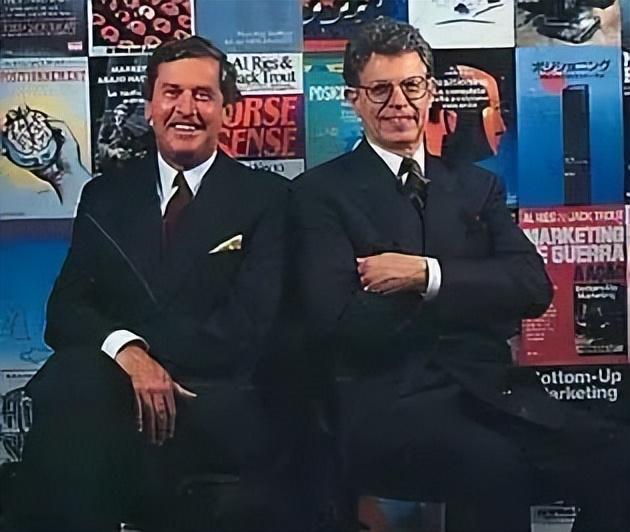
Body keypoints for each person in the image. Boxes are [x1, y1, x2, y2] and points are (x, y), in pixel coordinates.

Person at [291, 17, 630, 532]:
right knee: (495, 466)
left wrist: (424, 276)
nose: (399, 102)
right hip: (387, 401)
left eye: (411, 86)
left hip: (487, 390)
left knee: (614, 454)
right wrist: (477, 291)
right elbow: (338, 319)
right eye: (380, 90)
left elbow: (532, 287)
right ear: (353, 100)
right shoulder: (319, 194)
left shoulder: (476, 187)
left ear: (430, 92)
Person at [7, 36, 308, 532]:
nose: (185, 108)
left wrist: (148, 360)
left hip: (210, 399)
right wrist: (129, 353)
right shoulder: (105, 196)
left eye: (202, 95)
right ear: (149, 107)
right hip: (113, 395)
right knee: (74, 384)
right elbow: (65, 311)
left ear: (227, 111)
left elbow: (247, 327)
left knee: (75, 393)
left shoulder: (271, 198)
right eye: (171, 93)